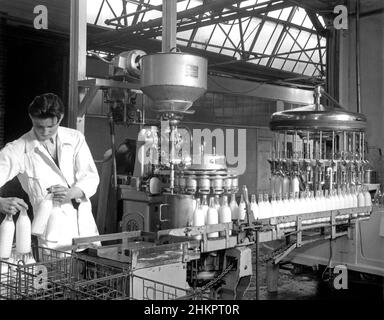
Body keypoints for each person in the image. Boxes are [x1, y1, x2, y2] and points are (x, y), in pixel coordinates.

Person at [0, 93, 100, 250]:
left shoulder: (75, 139)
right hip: (53, 236)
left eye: (50, 127)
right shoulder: (18, 149)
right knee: (59, 274)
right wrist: (0, 202)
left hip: (86, 229)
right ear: (31, 118)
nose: (45, 132)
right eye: (39, 126)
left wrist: (72, 192)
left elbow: (91, 177)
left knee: (95, 273)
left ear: (60, 118)